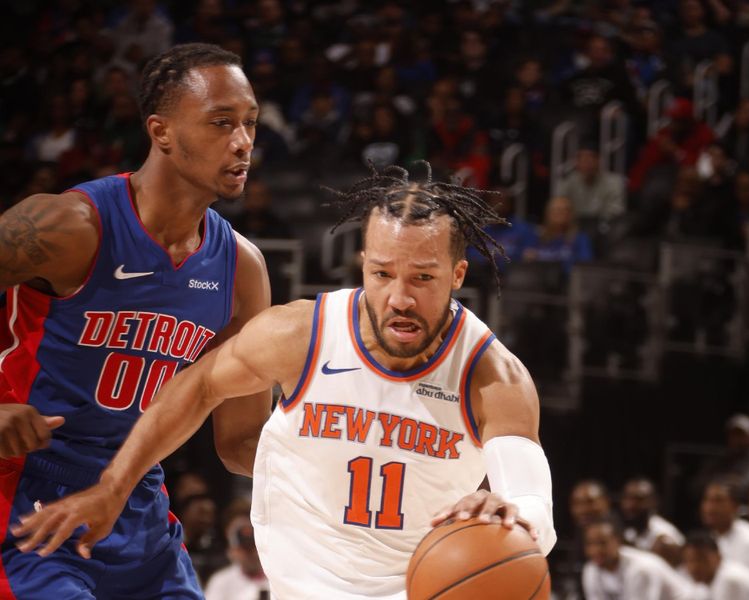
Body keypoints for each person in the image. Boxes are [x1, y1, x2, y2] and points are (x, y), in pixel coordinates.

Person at [13, 161, 558, 599]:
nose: (399, 297)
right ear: (363, 263)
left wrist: (516, 515)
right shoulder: (303, 334)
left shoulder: (491, 373)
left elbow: (530, 487)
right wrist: (114, 485)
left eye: (423, 278)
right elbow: (200, 385)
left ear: (458, 275)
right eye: (383, 273)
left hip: (421, 585)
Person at [0, 43, 272, 598]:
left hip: (137, 501)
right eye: (221, 123)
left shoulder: (242, 268)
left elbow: (241, 442)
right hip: (24, 499)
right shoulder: (66, 227)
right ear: (161, 131)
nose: (242, 142)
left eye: (250, 123)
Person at [581, 517, 692, 600]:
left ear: (618, 542)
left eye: (602, 543)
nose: (595, 550)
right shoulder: (591, 569)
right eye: (590, 544)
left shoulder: (641, 568)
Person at [204, 499, 270, 600]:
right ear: (232, 551)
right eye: (245, 549)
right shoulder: (221, 581)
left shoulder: (277, 577)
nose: (251, 554)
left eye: (254, 547)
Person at [619, 477, 684, 566]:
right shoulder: (629, 532)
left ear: (653, 501)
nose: (630, 505)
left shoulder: (665, 535)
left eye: (638, 499)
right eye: (627, 498)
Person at [680, 530, 749, 600]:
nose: (694, 567)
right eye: (689, 561)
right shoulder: (704, 584)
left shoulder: (730, 579)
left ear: (718, 556)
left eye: (700, 559)